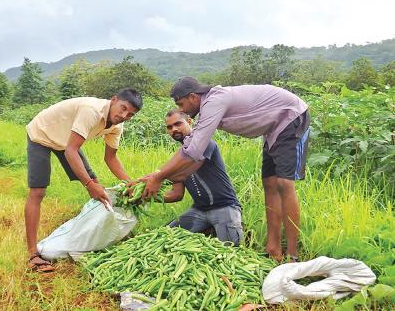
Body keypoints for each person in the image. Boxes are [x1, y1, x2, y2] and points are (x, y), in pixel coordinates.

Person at [140, 77, 310, 262]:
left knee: (284, 183)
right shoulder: (206, 111)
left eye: (181, 104)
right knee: (269, 184)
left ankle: (293, 256)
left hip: (291, 116)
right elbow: (187, 150)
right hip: (272, 129)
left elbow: (193, 151)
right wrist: (155, 177)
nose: (181, 110)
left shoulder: (214, 101)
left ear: (193, 97)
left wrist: (158, 178)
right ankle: (273, 249)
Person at [25, 88, 142, 272]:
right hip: (42, 133)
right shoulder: (92, 111)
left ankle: (91, 237)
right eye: (123, 108)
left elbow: (111, 158)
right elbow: (71, 151)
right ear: (113, 100)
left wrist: (131, 183)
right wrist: (89, 185)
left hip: (66, 140)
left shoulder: (117, 126)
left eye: (130, 114)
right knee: (38, 191)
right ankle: (33, 254)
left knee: (95, 182)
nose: (124, 115)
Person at [163, 109, 243, 246]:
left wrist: (157, 179)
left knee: (231, 251)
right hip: (199, 210)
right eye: (169, 127)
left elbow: (183, 172)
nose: (174, 129)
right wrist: (148, 196)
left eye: (178, 124)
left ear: (189, 121)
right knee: (165, 237)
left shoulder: (205, 143)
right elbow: (176, 194)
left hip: (225, 208)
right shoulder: (178, 158)